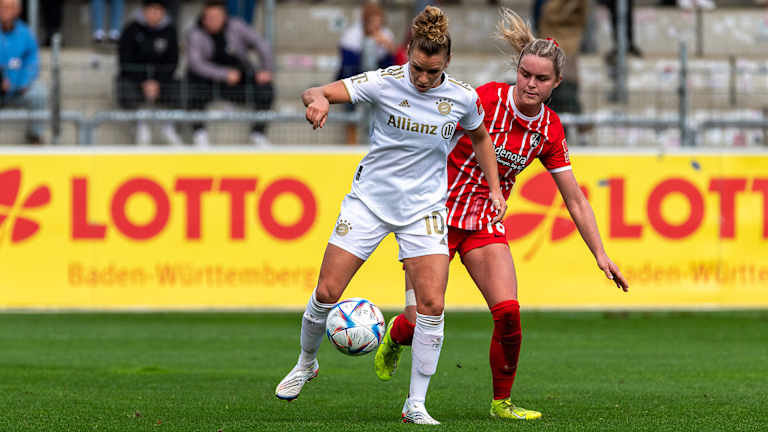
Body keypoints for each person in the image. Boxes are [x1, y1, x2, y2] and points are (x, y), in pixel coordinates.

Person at [374, 8, 629, 421]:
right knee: (418, 317)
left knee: (508, 312)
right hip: (433, 215)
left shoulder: (549, 130)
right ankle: (395, 336)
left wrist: (600, 254)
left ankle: (501, 403)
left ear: (556, 84)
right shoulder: (486, 99)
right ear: (518, 70)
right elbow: (428, 130)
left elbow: (575, 199)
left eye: (541, 78)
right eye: (525, 74)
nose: (530, 83)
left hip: (483, 221)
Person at [274, 6, 506, 425]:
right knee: (327, 292)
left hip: (424, 209)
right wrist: (319, 103)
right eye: (417, 67)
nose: (421, 78)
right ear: (408, 55)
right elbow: (315, 90)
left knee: (432, 304)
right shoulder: (383, 82)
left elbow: (480, 137)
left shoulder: (461, 97)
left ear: (446, 64)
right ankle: (307, 362)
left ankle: (415, 403)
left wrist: (493, 187)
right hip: (369, 203)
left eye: (431, 72)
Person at [185, 0, 274, 147]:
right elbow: (196, 64)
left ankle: (258, 133)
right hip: (209, 81)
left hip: (237, 78)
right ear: (204, 17)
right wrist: (224, 74)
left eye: (218, 16)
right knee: (189, 87)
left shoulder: (236, 26)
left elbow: (261, 44)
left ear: (225, 16)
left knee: (266, 89)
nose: (214, 21)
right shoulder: (195, 33)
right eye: (210, 17)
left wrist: (266, 69)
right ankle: (199, 133)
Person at [117, 0, 182, 145]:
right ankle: (140, 124)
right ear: (144, 11)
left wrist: (157, 82)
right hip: (136, 80)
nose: (154, 14)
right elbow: (125, 61)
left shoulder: (170, 31)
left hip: (161, 81)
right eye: (151, 10)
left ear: (163, 12)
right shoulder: (131, 30)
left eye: (157, 10)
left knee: (180, 86)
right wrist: (143, 82)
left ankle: (168, 125)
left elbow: (173, 62)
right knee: (124, 86)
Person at [336, 1, 397, 144]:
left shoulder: (386, 35)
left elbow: (391, 62)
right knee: (351, 107)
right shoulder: (352, 34)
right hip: (355, 76)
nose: (376, 26)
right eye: (373, 22)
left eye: (378, 22)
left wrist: (386, 46)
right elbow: (348, 62)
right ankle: (351, 141)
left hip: (378, 79)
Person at [0, 0, 48, 144]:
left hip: (18, 89)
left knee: (39, 92)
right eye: (3, 7)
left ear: (18, 11)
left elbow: (32, 62)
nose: (5, 10)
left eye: (10, 7)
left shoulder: (25, 34)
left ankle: (35, 136)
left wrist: (22, 82)